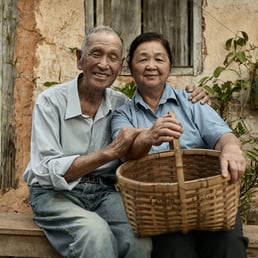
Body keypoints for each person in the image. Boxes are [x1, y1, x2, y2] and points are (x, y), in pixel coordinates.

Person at [23, 26, 209, 258]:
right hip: (54, 194)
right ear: (80, 59)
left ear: (120, 67)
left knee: (140, 240)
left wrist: (194, 94)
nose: (104, 64)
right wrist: (108, 153)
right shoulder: (50, 102)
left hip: (103, 192)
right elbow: (47, 170)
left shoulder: (121, 105)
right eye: (96, 54)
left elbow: (154, 104)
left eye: (112, 58)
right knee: (96, 235)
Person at [111, 32, 248, 258]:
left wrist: (232, 149)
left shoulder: (192, 101)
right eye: (143, 59)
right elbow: (125, 152)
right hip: (161, 210)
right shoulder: (122, 114)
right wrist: (148, 136)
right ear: (130, 67)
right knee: (174, 252)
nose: (151, 66)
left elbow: (222, 136)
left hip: (210, 203)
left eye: (159, 59)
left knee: (228, 246)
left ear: (170, 66)